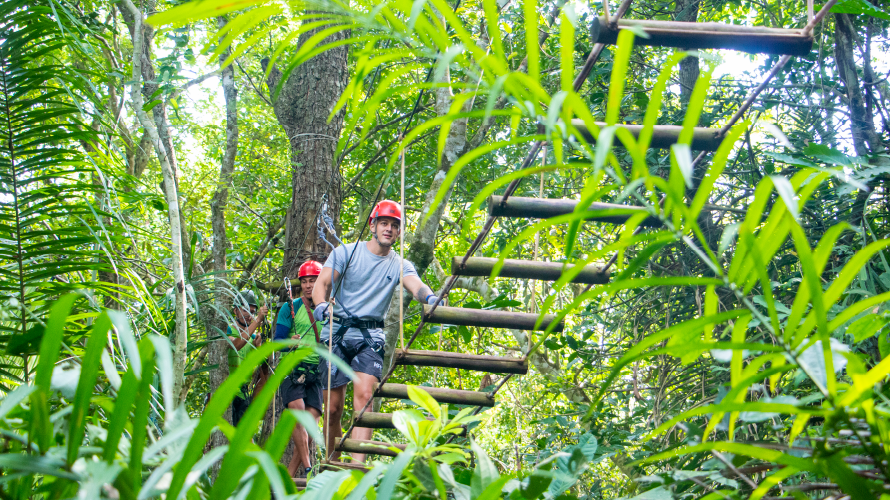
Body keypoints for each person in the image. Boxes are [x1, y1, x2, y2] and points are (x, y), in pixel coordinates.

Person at [312, 200, 441, 464]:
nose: (389, 229)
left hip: (369, 338)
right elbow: (321, 284)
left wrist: (431, 298)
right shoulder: (346, 253)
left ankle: (357, 469)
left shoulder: (399, 264)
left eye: (394, 225)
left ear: (399, 232)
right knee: (333, 409)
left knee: (365, 401)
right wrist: (321, 305)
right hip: (337, 333)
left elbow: (417, 286)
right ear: (373, 225)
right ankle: (333, 463)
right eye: (384, 223)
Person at [274, 260, 324, 477]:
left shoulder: (328, 309)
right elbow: (277, 341)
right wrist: (289, 342)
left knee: (310, 427)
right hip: (293, 369)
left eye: (313, 281)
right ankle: (309, 467)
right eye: (304, 281)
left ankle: (290, 474)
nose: (308, 285)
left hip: (317, 371)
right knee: (298, 414)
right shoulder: (291, 308)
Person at [227, 290, 269, 426]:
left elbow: (264, 367)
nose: (249, 315)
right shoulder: (228, 330)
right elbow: (236, 345)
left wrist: (259, 346)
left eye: (252, 312)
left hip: (243, 395)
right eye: (245, 310)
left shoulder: (253, 338)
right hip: (226, 392)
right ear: (235, 311)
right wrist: (257, 321)